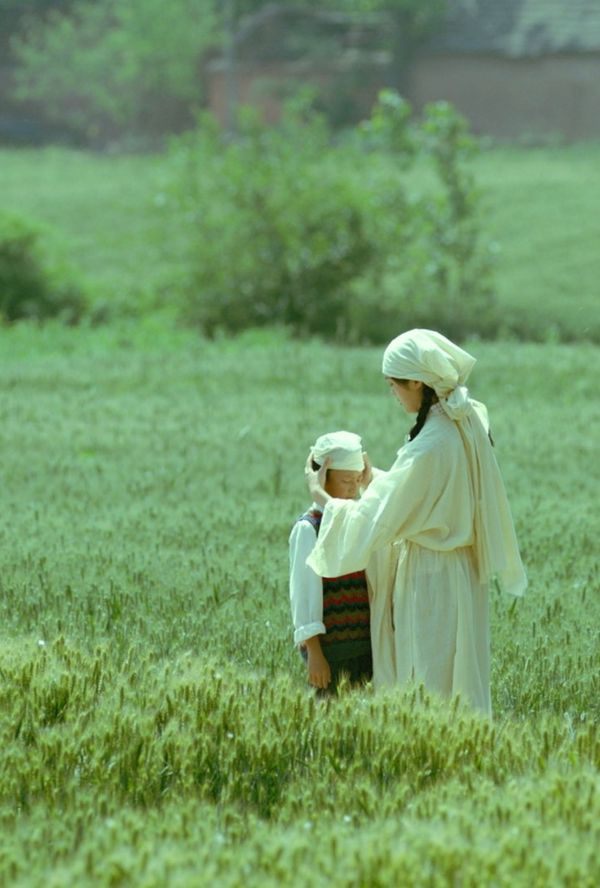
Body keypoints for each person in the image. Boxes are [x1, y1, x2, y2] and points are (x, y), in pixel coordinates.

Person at [305, 329, 527, 716]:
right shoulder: (457, 426)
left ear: (417, 383)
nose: (392, 392)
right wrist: (376, 480)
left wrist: (322, 497)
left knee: (430, 680)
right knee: (456, 680)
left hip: (432, 578)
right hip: (458, 573)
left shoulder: (431, 443)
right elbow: (425, 495)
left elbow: (380, 517)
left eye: (394, 384)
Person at [289, 431, 389, 696]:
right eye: (346, 480)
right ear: (323, 479)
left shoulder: (358, 523)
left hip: (366, 647)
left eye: (357, 479)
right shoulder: (309, 528)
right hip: (330, 650)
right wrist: (314, 653)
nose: (353, 488)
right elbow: (304, 594)